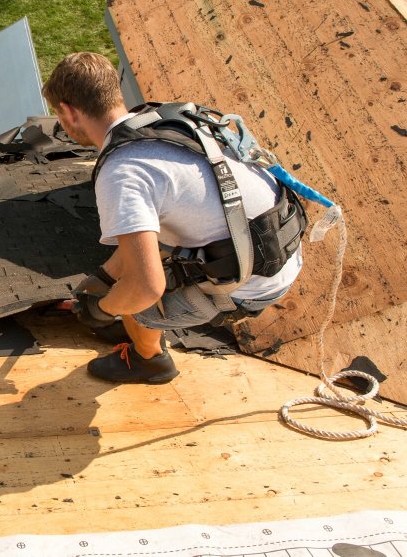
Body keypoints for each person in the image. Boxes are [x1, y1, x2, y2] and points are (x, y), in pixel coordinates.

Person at [42, 52, 305, 384]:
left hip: (251, 285)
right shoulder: (165, 121)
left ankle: (148, 360)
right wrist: (99, 284)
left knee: (136, 296)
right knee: (142, 257)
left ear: (67, 111)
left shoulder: (122, 173)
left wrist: (102, 310)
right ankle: (126, 321)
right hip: (278, 248)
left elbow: (147, 286)